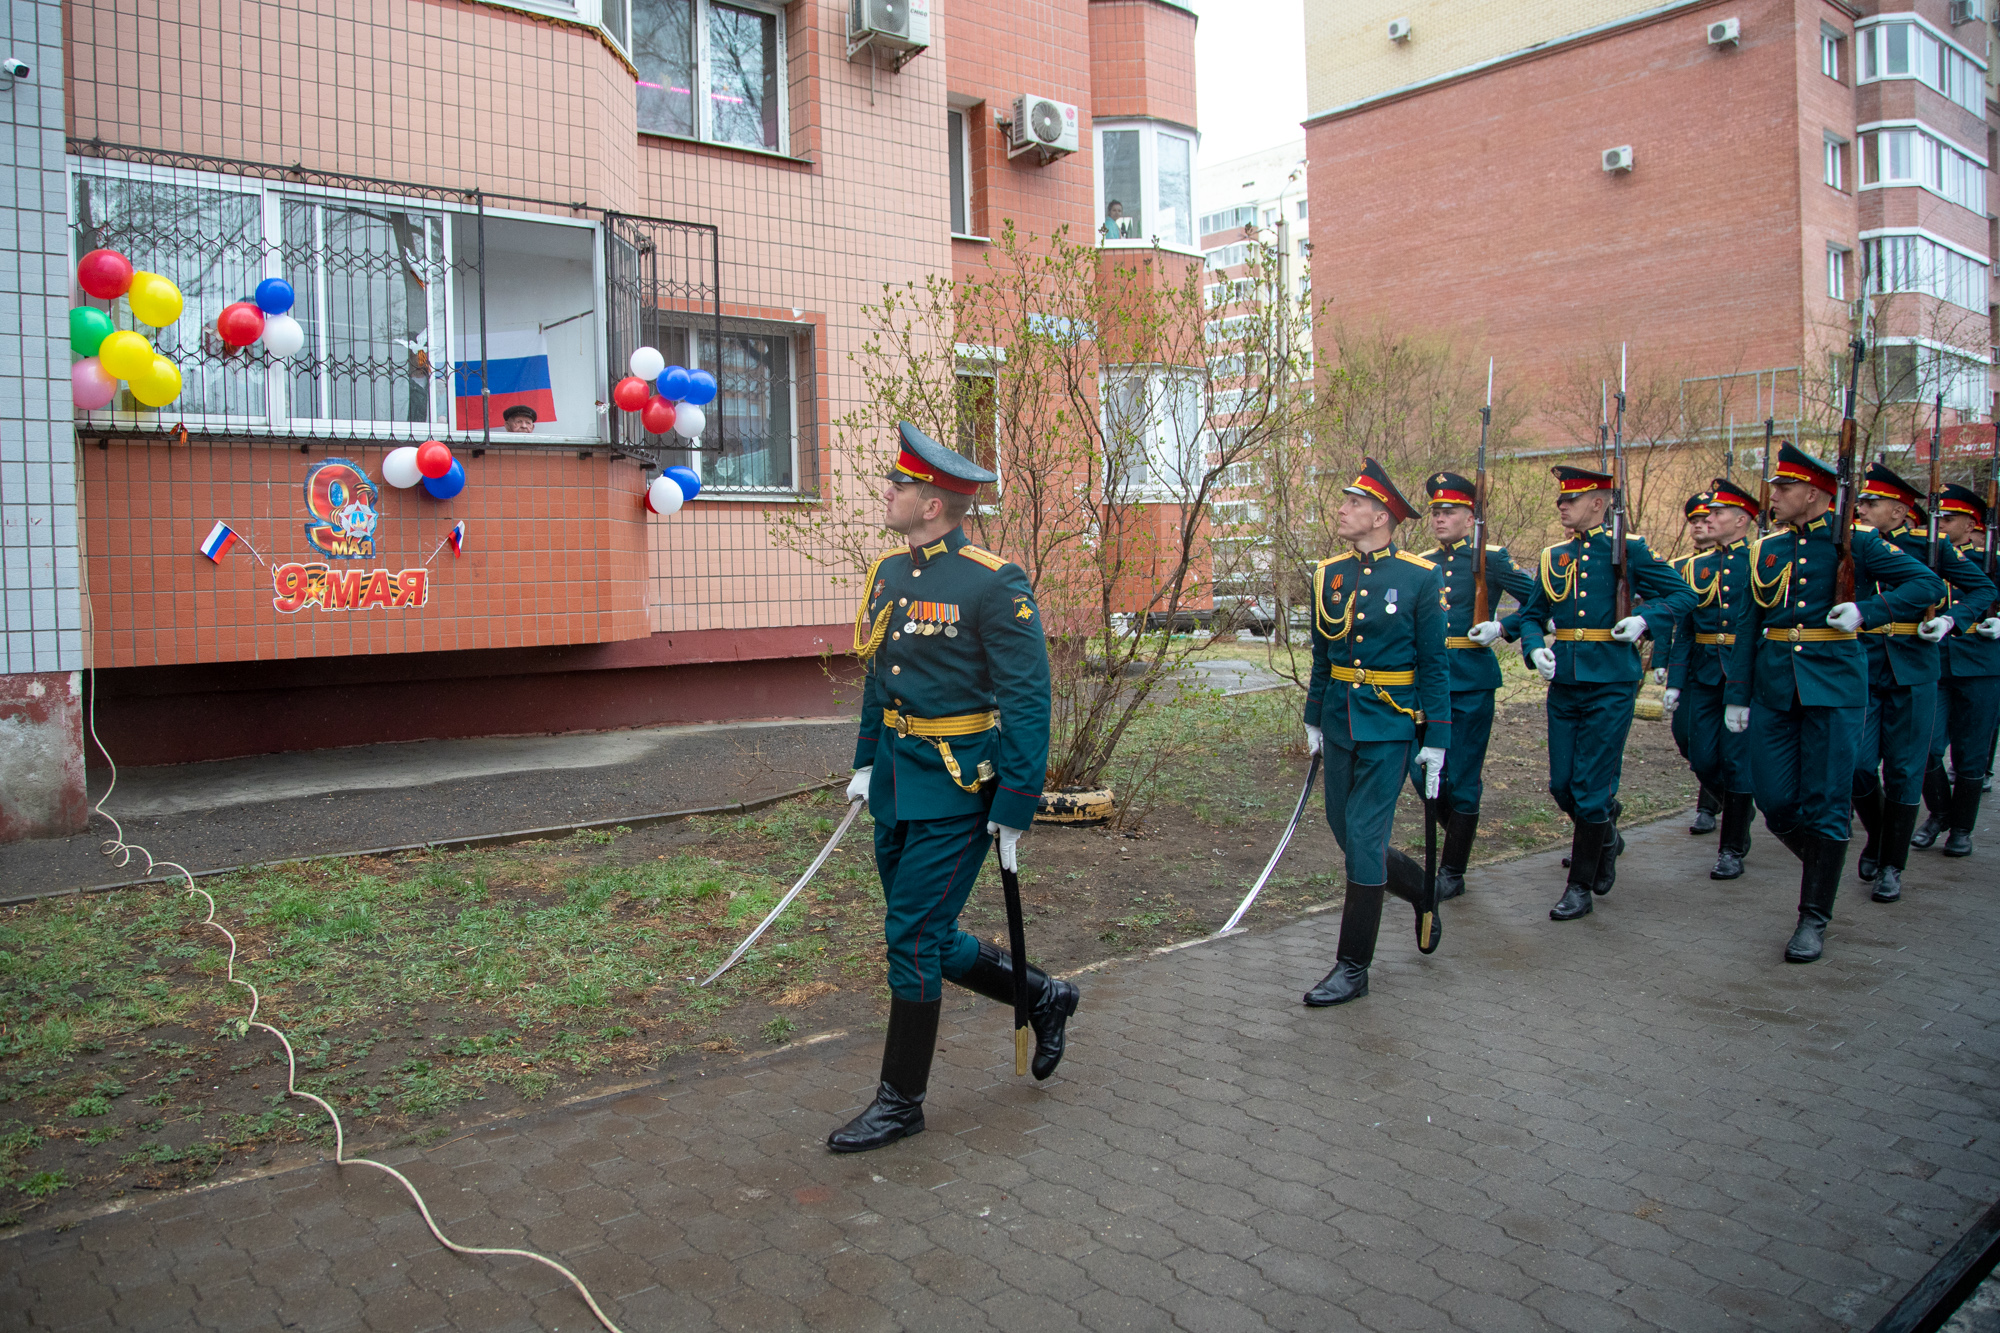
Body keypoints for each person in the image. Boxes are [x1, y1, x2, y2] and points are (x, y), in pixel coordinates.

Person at [830, 422, 1069, 1154]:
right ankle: (1045, 995)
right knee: (927, 932)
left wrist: (1017, 803)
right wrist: (865, 761)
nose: (888, 491)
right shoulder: (889, 573)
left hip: (960, 787)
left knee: (910, 934)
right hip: (898, 782)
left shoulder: (992, 582)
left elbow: (1028, 699)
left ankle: (900, 1102)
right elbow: (879, 677)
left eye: (899, 485)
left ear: (932, 504)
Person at [1726, 444, 1943, 962]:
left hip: (1836, 687)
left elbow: (1927, 584)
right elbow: (1749, 624)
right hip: (1776, 687)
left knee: (1827, 801)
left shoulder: (1858, 542)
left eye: (1784, 488)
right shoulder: (1765, 549)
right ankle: (1829, 862)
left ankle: (1813, 917)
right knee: (1775, 800)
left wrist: (1868, 610)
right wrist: (1738, 694)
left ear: (1815, 494)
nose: (1774, 495)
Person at [1508, 466, 1694, 922]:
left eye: (1571, 499)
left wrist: (1646, 619)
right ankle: (1606, 837)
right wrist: (1534, 648)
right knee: (1561, 785)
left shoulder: (1630, 550)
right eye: (1560, 499)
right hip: (1566, 680)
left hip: (1611, 681)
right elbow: (1531, 614)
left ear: (1598, 503)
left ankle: (1579, 888)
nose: (1562, 505)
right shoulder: (1553, 556)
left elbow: (1684, 595)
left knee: (1591, 790)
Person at [1301, 458, 1451, 1008]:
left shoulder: (1418, 577)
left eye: (1355, 503)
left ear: (1382, 516)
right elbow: (1323, 656)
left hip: (1390, 724)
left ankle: (1352, 967)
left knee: (1364, 840)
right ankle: (1421, 889)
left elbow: (1435, 665)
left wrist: (1438, 739)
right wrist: (1313, 716)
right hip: (1340, 719)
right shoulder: (1329, 574)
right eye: (1346, 501)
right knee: (1345, 830)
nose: (1342, 510)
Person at [1846, 463, 1993, 902]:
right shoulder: (1851, 544)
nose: (1862, 508)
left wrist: (1951, 619)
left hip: (1914, 666)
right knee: (1857, 764)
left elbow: (1983, 589)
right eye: (1862, 501)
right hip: (1864, 663)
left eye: (1872, 502)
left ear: (1899, 510)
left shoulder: (1927, 546)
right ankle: (1879, 835)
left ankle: (1892, 865)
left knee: (1905, 768)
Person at [1420, 470, 1534, 899]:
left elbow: (1541, 600)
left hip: (1471, 680)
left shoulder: (1492, 558)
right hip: (1428, 682)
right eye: (1436, 511)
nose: (1439, 518)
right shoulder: (1423, 562)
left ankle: (1452, 871)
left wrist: (1503, 628)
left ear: (1471, 518)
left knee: (1463, 778)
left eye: (1449, 511)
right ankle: (1460, 837)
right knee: (1422, 771)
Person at [1664, 480, 1759, 879]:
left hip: (1743, 671)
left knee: (1736, 760)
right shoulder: (1694, 566)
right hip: (1702, 669)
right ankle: (1739, 804)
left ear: (1741, 521)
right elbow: (1685, 628)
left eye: (1718, 513)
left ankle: (1732, 848)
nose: (1709, 519)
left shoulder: (1760, 560)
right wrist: (1675, 678)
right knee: (1698, 752)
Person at [1910, 483, 2000, 856]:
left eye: (1948, 519)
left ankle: (1961, 829)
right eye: (1939, 519)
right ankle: (1940, 813)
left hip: (1981, 665)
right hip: (1936, 663)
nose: (1941, 525)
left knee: (1971, 754)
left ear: (1971, 524)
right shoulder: (1928, 558)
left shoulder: (1990, 560)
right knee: (1925, 746)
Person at [1661, 492, 1723, 834]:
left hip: (1732, 665)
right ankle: (1726, 795)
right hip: (1695, 662)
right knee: (1688, 737)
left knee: (1722, 742)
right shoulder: (1683, 566)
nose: (1701, 525)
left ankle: (1711, 806)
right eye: (1695, 521)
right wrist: (1665, 665)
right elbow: (1673, 622)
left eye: (1706, 519)